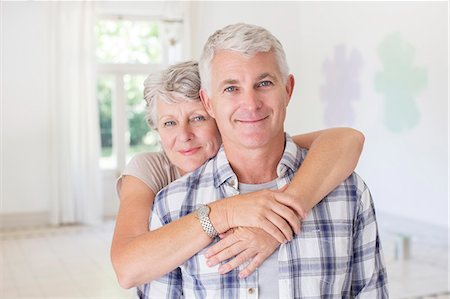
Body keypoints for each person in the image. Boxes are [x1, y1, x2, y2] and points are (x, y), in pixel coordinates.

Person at [138, 23, 387, 298]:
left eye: (264, 83)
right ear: (208, 102)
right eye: (231, 88)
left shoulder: (348, 193)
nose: (251, 103)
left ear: (288, 90)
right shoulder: (171, 205)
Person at [111, 60, 365, 290]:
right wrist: (224, 212)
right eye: (169, 123)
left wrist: (277, 223)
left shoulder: (255, 158)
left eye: (198, 118)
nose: (184, 136)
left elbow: (346, 139)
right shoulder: (152, 172)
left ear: (218, 115)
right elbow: (127, 269)